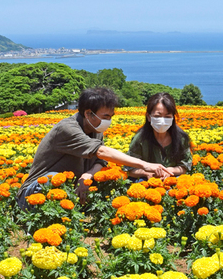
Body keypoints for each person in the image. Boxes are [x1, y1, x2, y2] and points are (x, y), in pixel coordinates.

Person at [17, 87, 171, 209]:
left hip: (69, 189)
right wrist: (145, 164)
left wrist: (88, 175)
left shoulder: (95, 128)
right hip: (32, 194)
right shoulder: (67, 129)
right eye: (105, 117)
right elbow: (101, 151)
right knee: (52, 178)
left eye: (110, 117)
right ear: (88, 114)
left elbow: (100, 160)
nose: (108, 121)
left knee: (113, 179)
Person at [125, 92, 192, 179]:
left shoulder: (181, 138)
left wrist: (169, 171)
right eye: (157, 116)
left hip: (172, 177)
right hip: (146, 179)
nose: (162, 121)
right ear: (149, 117)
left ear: (173, 117)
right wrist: (147, 173)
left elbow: (184, 166)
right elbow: (130, 169)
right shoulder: (140, 139)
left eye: (167, 116)